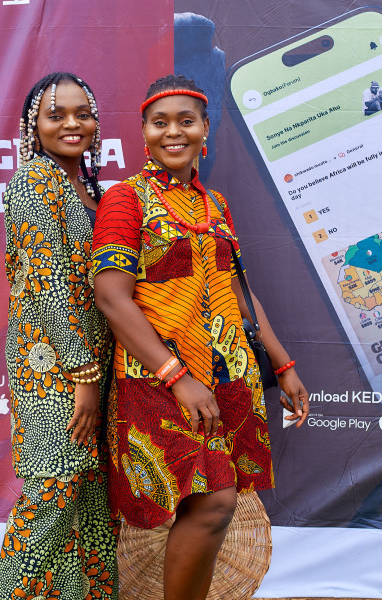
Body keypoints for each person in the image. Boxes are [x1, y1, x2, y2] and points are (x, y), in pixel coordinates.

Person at [92, 74, 308, 600]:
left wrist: (282, 364)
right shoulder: (126, 201)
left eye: (186, 121)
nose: (174, 132)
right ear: (143, 132)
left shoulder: (215, 204)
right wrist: (178, 377)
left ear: (204, 129)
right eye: (160, 122)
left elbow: (239, 291)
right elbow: (112, 299)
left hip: (229, 375)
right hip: (161, 378)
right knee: (211, 503)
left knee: (212, 503)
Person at [0, 72, 118, 600]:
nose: (72, 123)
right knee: (52, 492)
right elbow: (47, 290)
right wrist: (84, 376)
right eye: (56, 114)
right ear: (33, 126)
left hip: (91, 363)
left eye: (82, 113)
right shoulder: (33, 183)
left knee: (89, 501)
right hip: (51, 368)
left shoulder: (87, 190)